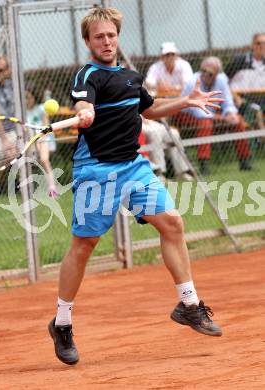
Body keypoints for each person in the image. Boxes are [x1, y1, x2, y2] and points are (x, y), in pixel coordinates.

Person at [48, 7, 223, 366]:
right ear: (88, 41)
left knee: (172, 222)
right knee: (84, 246)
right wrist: (85, 112)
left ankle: (188, 304)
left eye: (111, 35)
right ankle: (62, 322)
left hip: (133, 166)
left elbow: (148, 109)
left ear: (117, 35)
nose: (106, 41)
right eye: (99, 36)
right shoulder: (88, 74)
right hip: (96, 170)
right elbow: (84, 100)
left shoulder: (129, 75)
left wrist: (185, 102)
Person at [176, 56, 252, 175]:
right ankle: (204, 165)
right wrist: (222, 118)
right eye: (203, 71)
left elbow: (228, 102)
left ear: (217, 74)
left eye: (210, 73)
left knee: (238, 121)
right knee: (205, 124)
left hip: (210, 114)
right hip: (186, 115)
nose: (205, 75)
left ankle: (245, 161)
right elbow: (199, 112)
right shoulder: (193, 82)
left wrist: (231, 114)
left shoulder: (221, 79)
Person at [226, 33, 265, 129]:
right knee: (256, 112)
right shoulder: (240, 61)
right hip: (240, 100)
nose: (261, 46)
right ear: (252, 45)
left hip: (261, 100)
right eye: (258, 43)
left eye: (264, 43)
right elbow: (224, 81)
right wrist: (235, 97)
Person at [25, 83, 58, 197]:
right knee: (27, 162)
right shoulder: (24, 112)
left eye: (28, 97)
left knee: (44, 160)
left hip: (44, 139)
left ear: (34, 97)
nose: (26, 100)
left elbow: (46, 126)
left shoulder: (40, 109)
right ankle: (26, 190)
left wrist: (41, 138)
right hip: (31, 141)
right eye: (25, 98)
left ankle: (52, 188)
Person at [142, 117, 194, 181]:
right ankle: (159, 173)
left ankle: (181, 171)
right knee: (155, 134)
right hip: (137, 122)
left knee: (174, 133)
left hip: (150, 120)